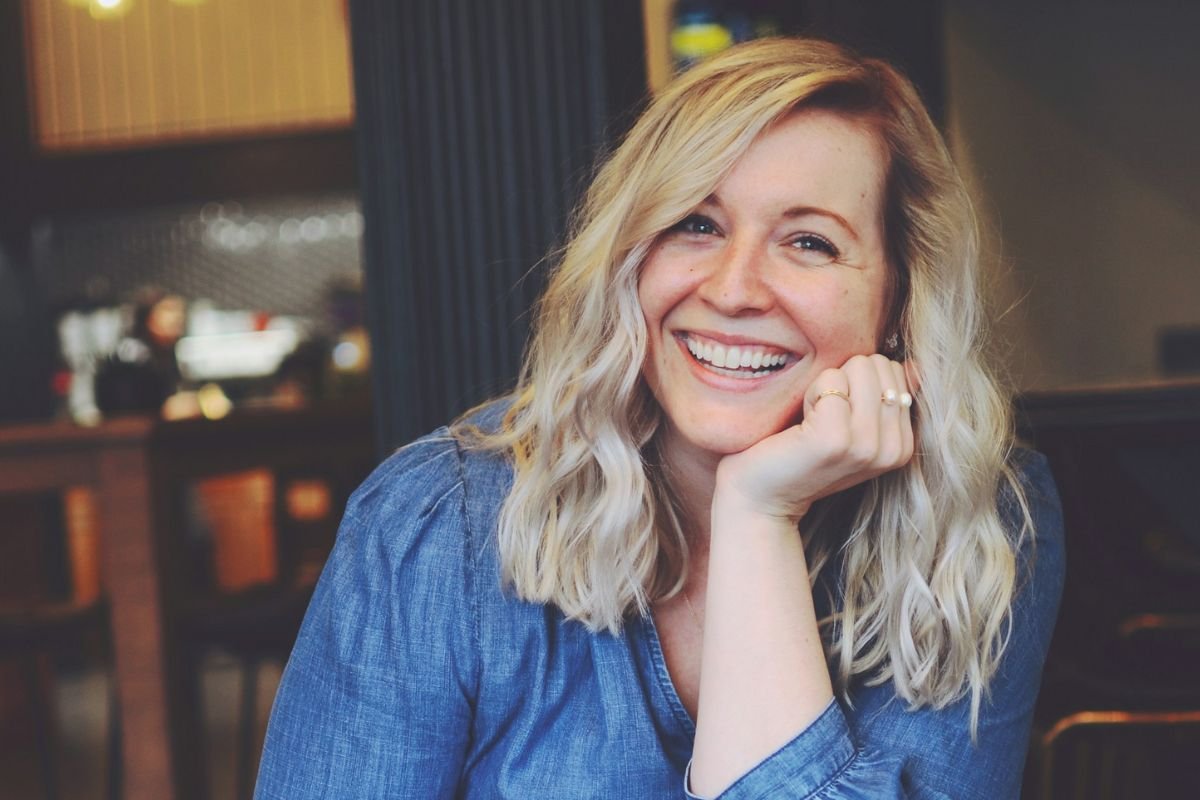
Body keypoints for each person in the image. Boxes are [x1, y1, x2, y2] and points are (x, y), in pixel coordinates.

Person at [254, 37, 1064, 799]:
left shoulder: (977, 514)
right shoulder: (439, 523)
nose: (734, 288)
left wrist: (758, 515)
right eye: (696, 224)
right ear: (630, 256)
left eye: (810, 243)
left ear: (899, 296)